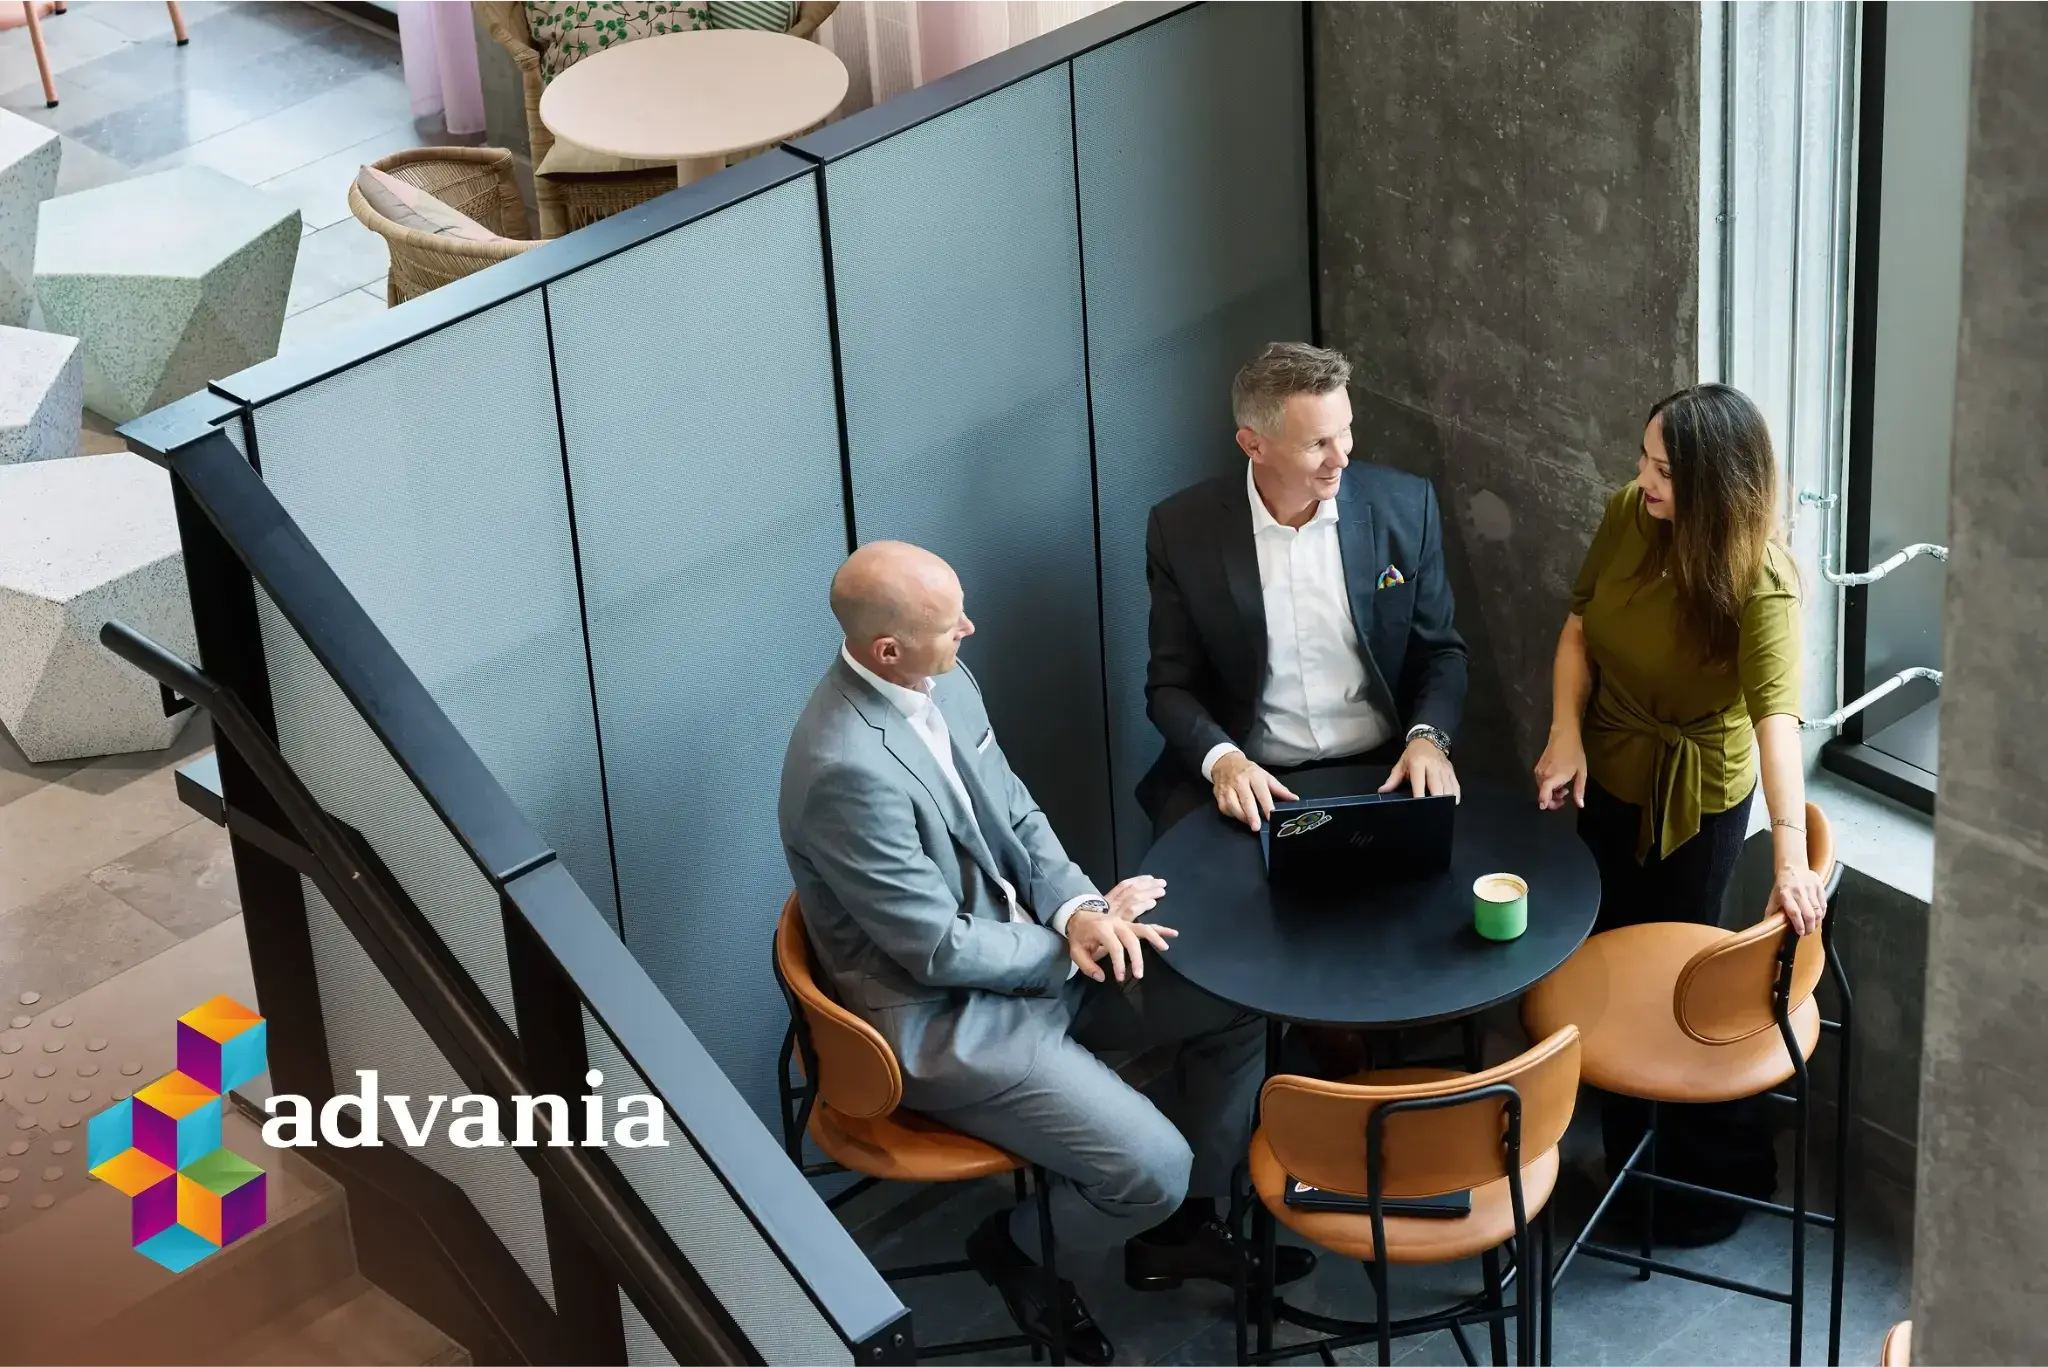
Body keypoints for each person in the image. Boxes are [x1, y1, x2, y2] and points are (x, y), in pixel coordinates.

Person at [780, 541, 1314, 1366]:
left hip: (1035, 951)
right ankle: (1020, 1244)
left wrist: (1083, 909)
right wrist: (1068, 946)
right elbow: (936, 947)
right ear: (886, 651)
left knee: (1236, 995)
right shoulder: (842, 771)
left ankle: (1179, 1230)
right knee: (1152, 1167)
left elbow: (1019, 816)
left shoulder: (944, 679)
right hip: (951, 1018)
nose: (969, 627)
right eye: (950, 623)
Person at [1533, 382, 1829, 1246]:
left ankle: (1690, 1185)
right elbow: (1579, 630)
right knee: (1606, 956)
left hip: (1697, 798)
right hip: (1611, 766)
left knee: (1668, 989)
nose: (1643, 478)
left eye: (1664, 470)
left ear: (1714, 486)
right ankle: (1632, 1150)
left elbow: (1778, 722)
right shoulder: (1629, 514)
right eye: (1644, 459)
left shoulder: (1761, 582)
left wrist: (1789, 857)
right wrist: (1565, 734)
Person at [1141, 341, 1469, 840]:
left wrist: (1428, 739)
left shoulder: (1407, 507)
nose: (1342, 457)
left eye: (1346, 431)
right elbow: (1170, 686)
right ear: (1253, 445)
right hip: (1252, 779)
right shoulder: (1182, 530)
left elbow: (1441, 652)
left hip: (1384, 771)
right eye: (1317, 443)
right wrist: (1224, 760)